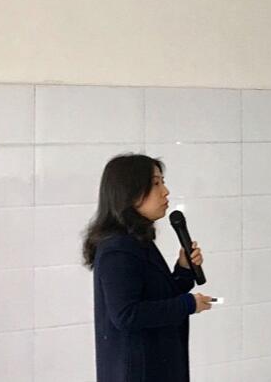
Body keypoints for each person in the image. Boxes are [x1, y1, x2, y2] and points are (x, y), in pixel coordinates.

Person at [82, 154, 211, 382]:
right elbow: (126, 315)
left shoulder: (135, 240)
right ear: (129, 193)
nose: (165, 192)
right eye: (156, 184)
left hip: (157, 365)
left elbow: (157, 297)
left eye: (162, 182)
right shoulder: (118, 249)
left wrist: (183, 270)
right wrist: (188, 304)